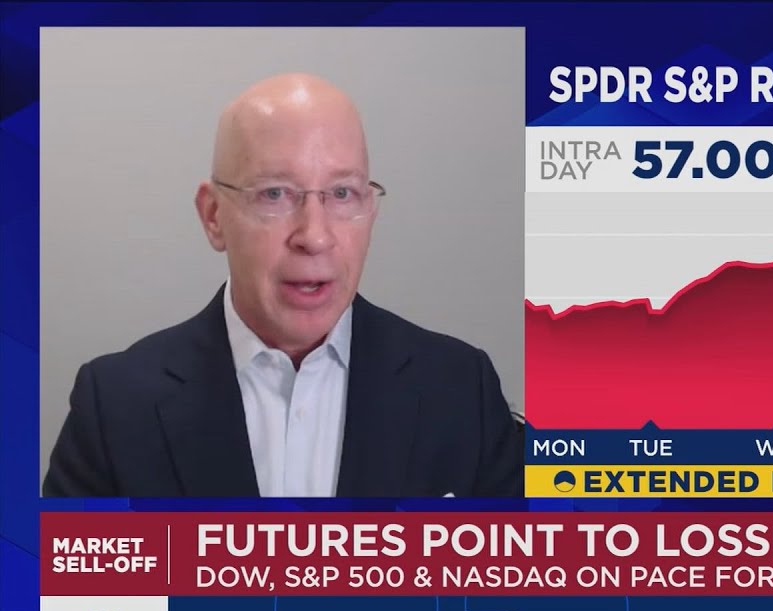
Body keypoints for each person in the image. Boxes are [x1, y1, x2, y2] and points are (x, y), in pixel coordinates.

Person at [43, 73, 522, 498]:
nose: (314, 236)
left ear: (371, 209)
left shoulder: (463, 389)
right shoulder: (114, 405)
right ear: (213, 216)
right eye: (274, 194)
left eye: (342, 193)